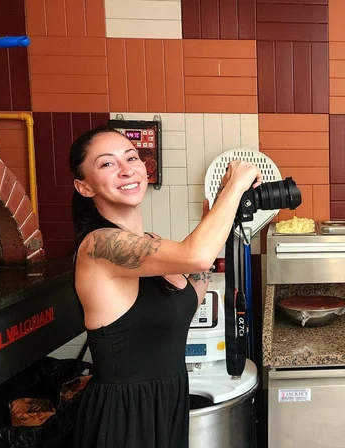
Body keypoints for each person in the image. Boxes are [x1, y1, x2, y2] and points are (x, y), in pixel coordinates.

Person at [67, 125, 262, 448]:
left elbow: (190, 293)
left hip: (167, 398)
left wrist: (216, 222)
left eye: (131, 157)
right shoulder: (99, 246)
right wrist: (237, 183)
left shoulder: (150, 244)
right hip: (124, 414)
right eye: (107, 164)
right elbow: (195, 257)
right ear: (84, 186)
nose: (127, 169)